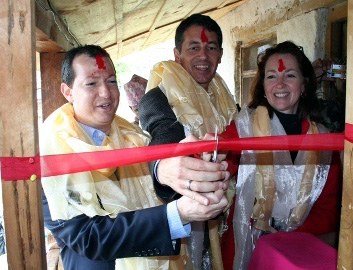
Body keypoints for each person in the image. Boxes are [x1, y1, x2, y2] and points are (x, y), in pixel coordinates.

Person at [40, 45, 229, 270]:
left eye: (111, 81)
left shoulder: (131, 136)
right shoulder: (53, 156)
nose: (105, 93)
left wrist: (195, 164)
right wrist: (178, 214)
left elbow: (158, 172)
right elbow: (87, 237)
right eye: (91, 83)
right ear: (67, 91)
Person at [220, 41, 342, 270]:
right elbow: (219, 155)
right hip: (247, 246)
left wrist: (289, 237)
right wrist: (206, 155)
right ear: (263, 86)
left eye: (290, 75)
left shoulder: (324, 140)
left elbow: (328, 208)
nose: (280, 84)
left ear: (304, 85)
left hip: (299, 249)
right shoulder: (244, 128)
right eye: (271, 76)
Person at [139, 13, 238, 269]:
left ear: (221, 54)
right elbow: (163, 137)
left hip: (226, 212)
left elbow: (242, 127)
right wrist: (165, 166)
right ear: (177, 54)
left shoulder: (223, 95)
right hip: (183, 216)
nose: (203, 56)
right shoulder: (158, 95)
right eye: (193, 48)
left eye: (211, 48)